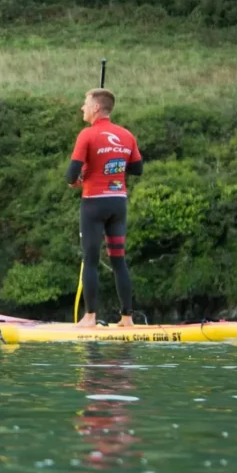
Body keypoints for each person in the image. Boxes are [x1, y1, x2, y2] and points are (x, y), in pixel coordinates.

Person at [67, 88, 143, 328]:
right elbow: (137, 168)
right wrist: (112, 166)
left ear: (96, 108)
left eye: (85, 103)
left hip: (94, 203)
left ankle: (90, 316)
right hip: (118, 203)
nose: (82, 107)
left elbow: (71, 175)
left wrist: (80, 178)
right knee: (119, 260)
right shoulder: (126, 135)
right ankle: (127, 318)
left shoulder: (87, 135)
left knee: (90, 260)